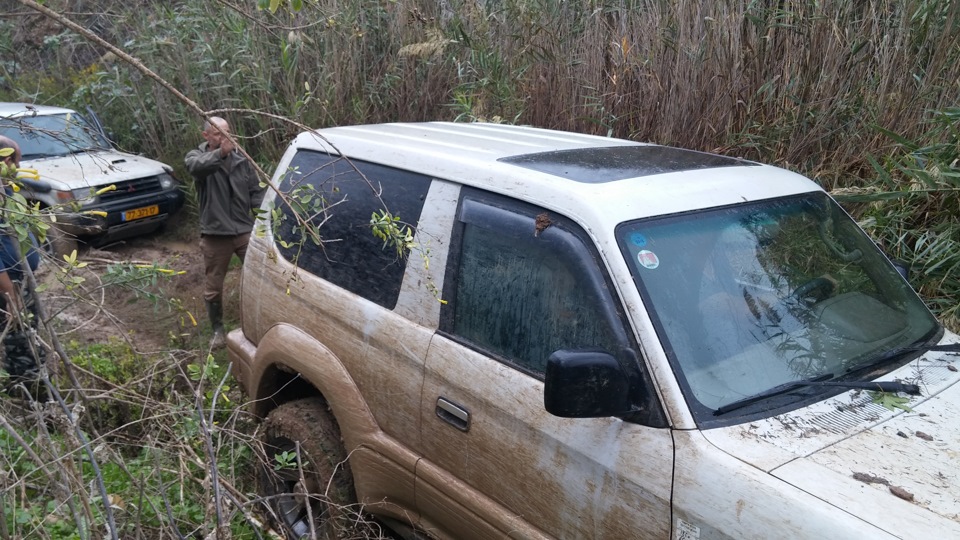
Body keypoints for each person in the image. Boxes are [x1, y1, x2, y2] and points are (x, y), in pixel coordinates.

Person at [184, 117, 264, 348]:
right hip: (215, 234)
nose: (225, 138)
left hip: (244, 231)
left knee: (258, 276)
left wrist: (262, 221)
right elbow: (196, 169)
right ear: (206, 136)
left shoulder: (242, 159)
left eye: (227, 132)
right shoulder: (196, 157)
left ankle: (257, 321)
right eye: (219, 133)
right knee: (214, 286)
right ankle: (218, 330)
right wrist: (221, 154)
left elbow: (255, 193)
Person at [0, 135, 43, 389]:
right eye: (16, 161)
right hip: (10, 286)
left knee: (26, 333)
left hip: (18, 281)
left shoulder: (6, 192)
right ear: (5, 160)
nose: (18, 168)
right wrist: (9, 292)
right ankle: (28, 394)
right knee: (21, 339)